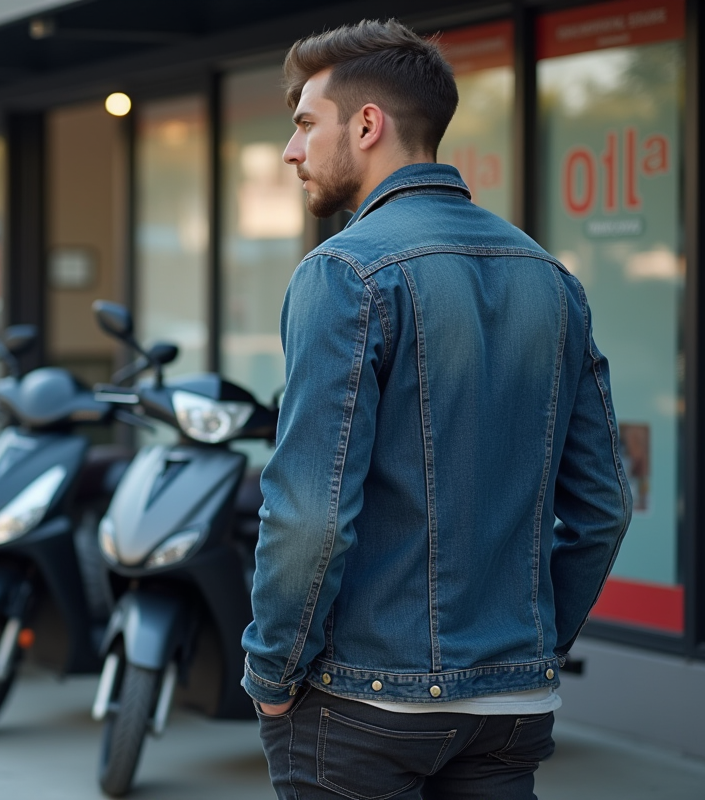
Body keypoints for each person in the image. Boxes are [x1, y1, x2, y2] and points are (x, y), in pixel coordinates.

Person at [241, 19, 632, 800]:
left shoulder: (344, 272)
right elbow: (605, 509)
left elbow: (310, 517)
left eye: (304, 124)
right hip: (512, 709)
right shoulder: (551, 277)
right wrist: (524, 651)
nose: (291, 151)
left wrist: (271, 671)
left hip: (364, 704)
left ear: (367, 124)